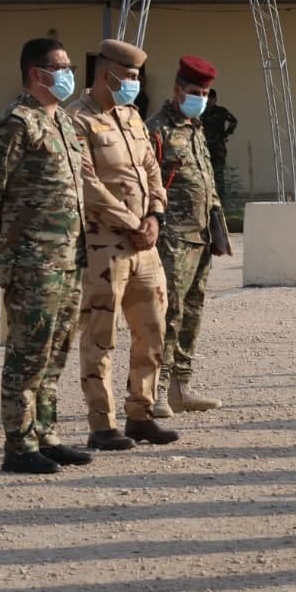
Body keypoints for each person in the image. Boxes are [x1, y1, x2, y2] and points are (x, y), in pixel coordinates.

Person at [0, 37, 92, 474]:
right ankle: (19, 445)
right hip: (32, 259)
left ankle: (46, 433)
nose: (69, 74)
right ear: (37, 74)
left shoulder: (63, 122)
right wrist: (2, 235)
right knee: (28, 353)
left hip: (69, 255)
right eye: (62, 68)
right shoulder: (18, 122)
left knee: (55, 350)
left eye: (69, 66)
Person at [68, 39, 177, 450]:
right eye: (129, 76)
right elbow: (86, 183)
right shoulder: (77, 120)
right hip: (104, 246)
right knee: (101, 336)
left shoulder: (132, 117)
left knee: (152, 331)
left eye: (137, 77)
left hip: (144, 245)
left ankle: (141, 415)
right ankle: (101, 425)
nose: (135, 84)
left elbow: (151, 169)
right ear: (106, 74)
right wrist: (132, 222)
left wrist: (155, 216)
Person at [148, 55, 227, 415]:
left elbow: (205, 179)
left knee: (192, 312)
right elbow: (146, 183)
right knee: (168, 314)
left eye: (206, 94)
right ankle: (156, 390)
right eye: (195, 92)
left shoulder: (196, 128)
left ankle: (181, 387)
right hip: (171, 237)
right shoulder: (157, 128)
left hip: (201, 234)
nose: (201, 99)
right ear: (178, 90)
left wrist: (217, 224)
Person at [202, 88, 238, 203]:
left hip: (218, 148)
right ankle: (207, 200)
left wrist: (226, 134)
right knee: (204, 174)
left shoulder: (221, 111)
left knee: (218, 175)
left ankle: (221, 201)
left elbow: (233, 121)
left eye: (211, 99)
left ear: (215, 99)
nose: (209, 101)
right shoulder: (200, 112)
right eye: (207, 98)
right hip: (204, 148)